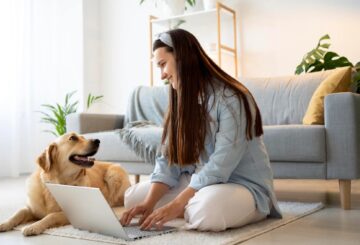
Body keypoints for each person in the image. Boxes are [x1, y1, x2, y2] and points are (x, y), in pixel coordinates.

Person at [120, 29, 282, 232]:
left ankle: (191, 209)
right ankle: (186, 208)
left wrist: (177, 203)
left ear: (182, 58)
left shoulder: (232, 98)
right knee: (133, 199)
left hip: (242, 185)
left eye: (163, 64)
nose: (162, 75)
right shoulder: (181, 101)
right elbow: (168, 161)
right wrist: (149, 203)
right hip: (202, 183)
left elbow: (221, 165)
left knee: (206, 212)